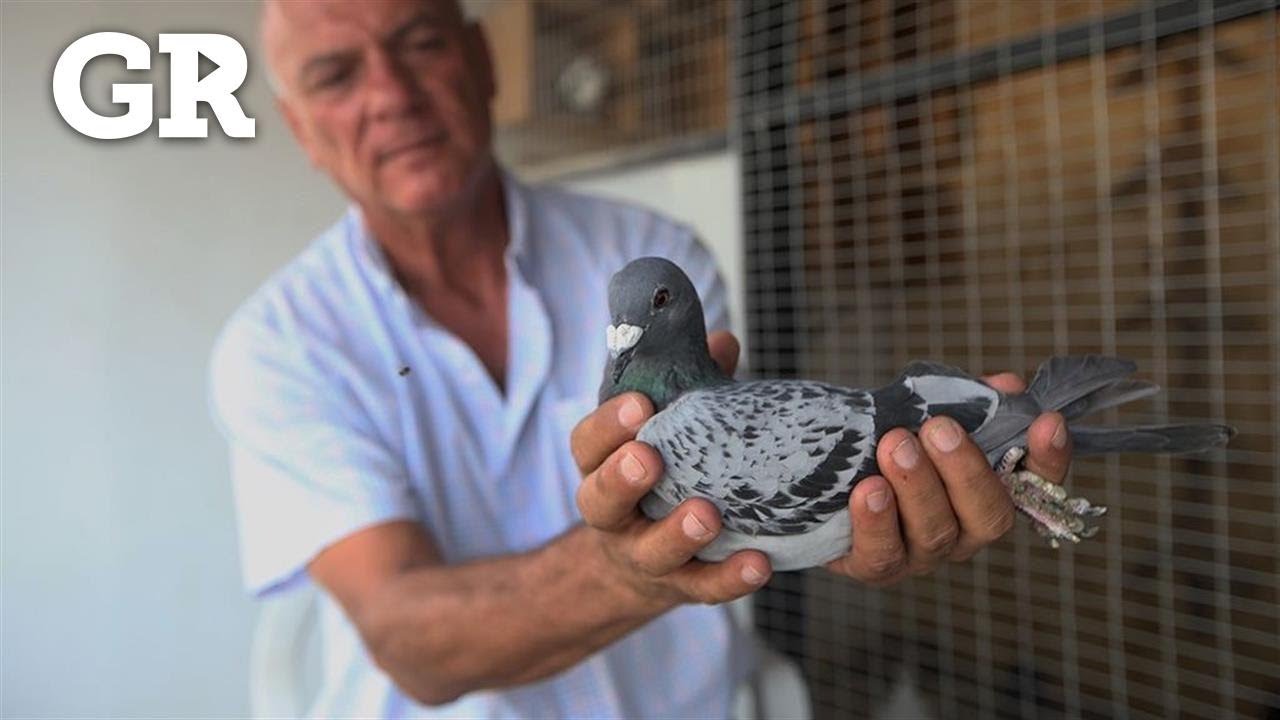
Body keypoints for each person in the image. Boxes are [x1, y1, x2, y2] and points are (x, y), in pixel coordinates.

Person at [209, 0, 1073, 717]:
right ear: (300, 129)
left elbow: (766, 494)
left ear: (480, 60)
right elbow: (412, 644)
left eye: (420, 43)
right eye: (336, 74)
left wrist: (867, 499)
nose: (391, 93)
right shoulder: (279, 345)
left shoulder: (655, 258)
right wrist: (628, 564)